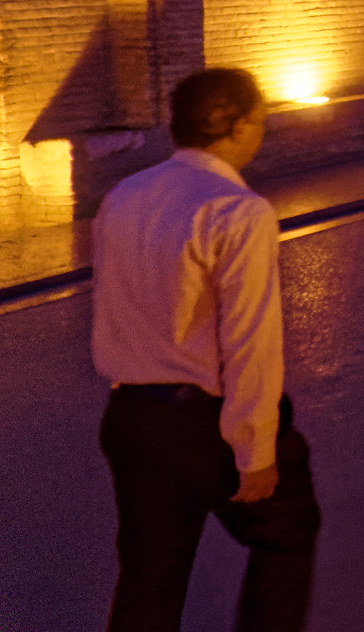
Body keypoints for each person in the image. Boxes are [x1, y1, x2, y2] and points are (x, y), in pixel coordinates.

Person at [92, 67, 321, 631]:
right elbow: (249, 339)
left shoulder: (124, 196)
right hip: (204, 421)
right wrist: (255, 449)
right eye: (260, 122)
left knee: (149, 579)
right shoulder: (237, 210)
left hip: (132, 418)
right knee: (286, 534)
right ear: (239, 126)